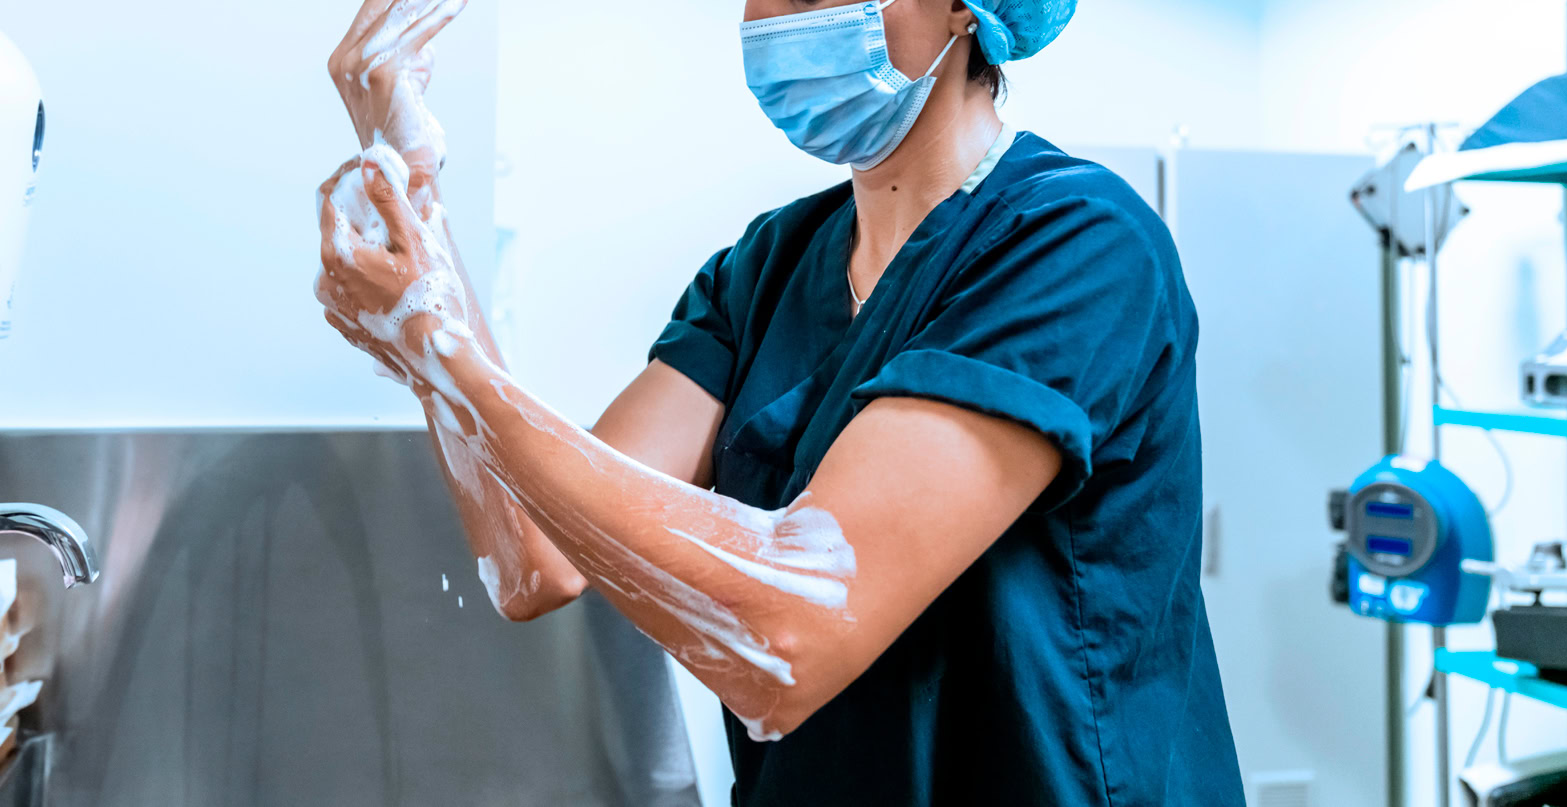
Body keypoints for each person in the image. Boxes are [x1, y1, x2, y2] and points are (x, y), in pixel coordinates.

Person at [315, 1, 1243, 804]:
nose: (770, 23)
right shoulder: (765, 269)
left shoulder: (1076, 245)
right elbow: (533, 555)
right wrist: (412, 192)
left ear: (964, 7)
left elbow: (785, 639)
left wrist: (442, 351)